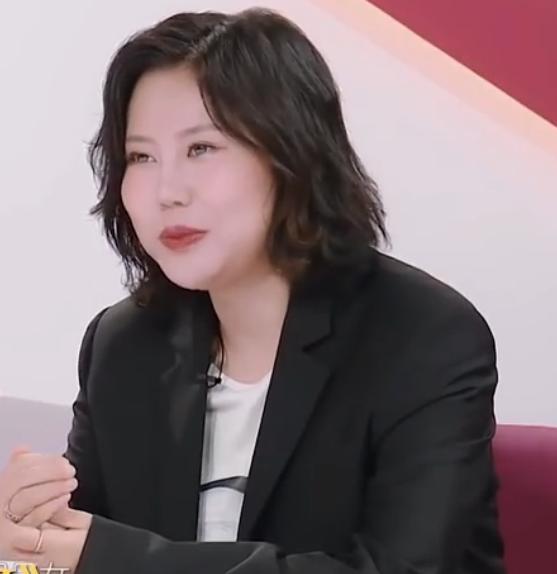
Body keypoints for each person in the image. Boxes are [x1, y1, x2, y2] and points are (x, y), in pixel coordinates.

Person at [0, 7, 506, 573]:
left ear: (292, 154)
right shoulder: (124, 344)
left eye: (201, 149)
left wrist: (113, 556)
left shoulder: (424, 337)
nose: (167, 191)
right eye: (141, 157)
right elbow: (74, 550)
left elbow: (402, 569)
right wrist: (30, 539)